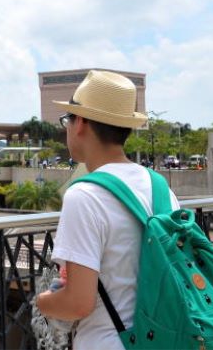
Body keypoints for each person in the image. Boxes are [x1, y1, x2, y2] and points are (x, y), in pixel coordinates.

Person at [35, 70, 179, 349]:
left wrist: (43, 301)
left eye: (68, 119)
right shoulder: (161, 188)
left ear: (81, 124)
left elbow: (78, 303)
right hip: (164, 339)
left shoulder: (85, 195)